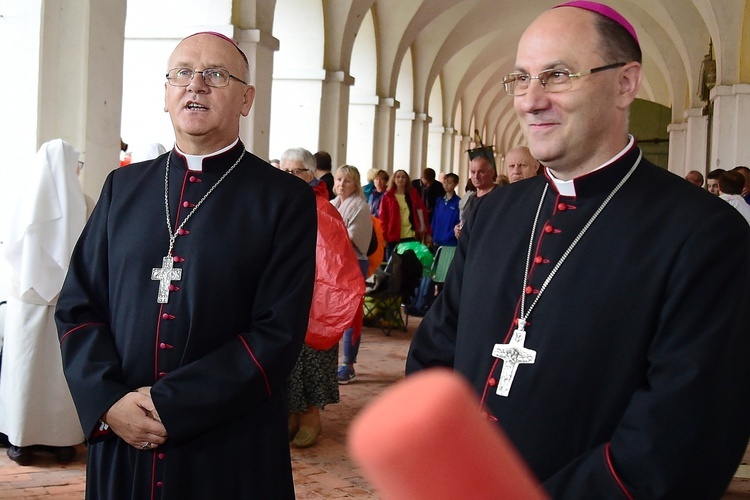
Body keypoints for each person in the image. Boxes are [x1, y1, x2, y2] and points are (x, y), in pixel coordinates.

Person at [406, 2, 750, 498]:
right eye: (521, 79)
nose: (529, 100)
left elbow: (680, 437)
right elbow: (436, 349)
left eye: (558, 75)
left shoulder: (705, 235)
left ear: (625, 84)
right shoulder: (493, 213)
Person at [55, 32, 317, 499]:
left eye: (216, 75)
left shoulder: (284, 200)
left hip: (228, 443)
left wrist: (168, 407)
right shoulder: (123, 188)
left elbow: (276, 333)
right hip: (123, 436)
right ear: (166, 93)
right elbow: (79, 306)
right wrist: (108, 401)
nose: (195, 85)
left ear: (245, 98)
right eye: (181, 74)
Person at [0, 139, 87, 466]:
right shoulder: (85, 203)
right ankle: (62, 439)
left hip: (26, 301)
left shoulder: (21, 203)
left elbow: (10, 249)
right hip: (66, 304)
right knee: (57, 374)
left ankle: (20, 440)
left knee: (25, 371)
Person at [279, 148, 363, 447]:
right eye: (284, 170)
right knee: (285, 360)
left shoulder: (323, 209)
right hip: (281, 298)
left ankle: (310, 417)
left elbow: (335, 259)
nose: (288, 177)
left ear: (311, 174)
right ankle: (289, 414)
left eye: (296, 172)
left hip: (314, 300)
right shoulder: (278, 202)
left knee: (309, 359)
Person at [331, 165, 372, 384]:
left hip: (354, 263)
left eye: (346, 181)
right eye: (338, 180)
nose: (341, 184)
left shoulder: (360, 207)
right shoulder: (332, 204)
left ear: (355, 183)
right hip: (334, 264)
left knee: (350, 316)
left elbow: (354, 239)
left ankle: (349, 363)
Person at [378, 169, 431, 261]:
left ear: (407, 180)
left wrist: (427, 231)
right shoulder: (387, 197)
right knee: (393, 265)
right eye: (398, 177)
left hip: (411, 235)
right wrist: (384, 237)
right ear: (394, 179)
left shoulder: (413, 194)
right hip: (394, 236)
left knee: (410, 264)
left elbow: (422, 211)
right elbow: (383, 218)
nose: (400, 179)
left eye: (403, 177)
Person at [454, 153, 497, 239]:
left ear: (492, 172)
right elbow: (466, 220)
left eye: (481, 172)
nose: (476, 176)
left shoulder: (499, 196)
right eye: (473, 172)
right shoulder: (471, 197)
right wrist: (458, 228)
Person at [431, 173, 461, 248]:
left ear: (456, 184)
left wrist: (450, 235)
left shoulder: (458, 202)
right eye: (444, 183)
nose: (446, 185)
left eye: (449, 183)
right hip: (436, 239)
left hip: (450, 241)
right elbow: (434, 219)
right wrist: (432, 234)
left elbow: (458, 222)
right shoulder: (439, 200)